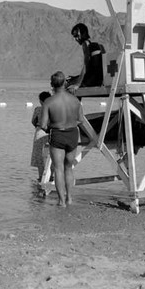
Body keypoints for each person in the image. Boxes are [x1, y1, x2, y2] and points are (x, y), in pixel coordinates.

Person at [40, 71, 89, 207]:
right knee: (69, 167)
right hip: (73, 134)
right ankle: (70, 198)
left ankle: (61, 201)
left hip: (58, 134)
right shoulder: (75, 100)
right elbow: (80, 120)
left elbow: (43, 125)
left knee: (58, 169)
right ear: (65, 83)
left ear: (52, 84)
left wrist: (51, 128)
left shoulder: (49, 101)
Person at [66, 23, 105, 92]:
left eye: (76, 36)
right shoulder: (95, 45)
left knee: (67, 85)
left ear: (83, 34)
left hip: (93, 80)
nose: (75, 39)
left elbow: (85, 66)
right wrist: (76, 78)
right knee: (71, 81)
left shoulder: (85, 44)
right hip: (100, 79)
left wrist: (77, 84)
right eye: (74, 36)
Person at [30, 91, 51, 180]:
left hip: (40, 131)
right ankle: (51, 176)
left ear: (41, 101)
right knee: (50, 156)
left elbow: (33, 121)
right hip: (52, 131)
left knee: (39, 156)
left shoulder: (38, 109)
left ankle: (41, 176)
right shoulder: (53, 109)